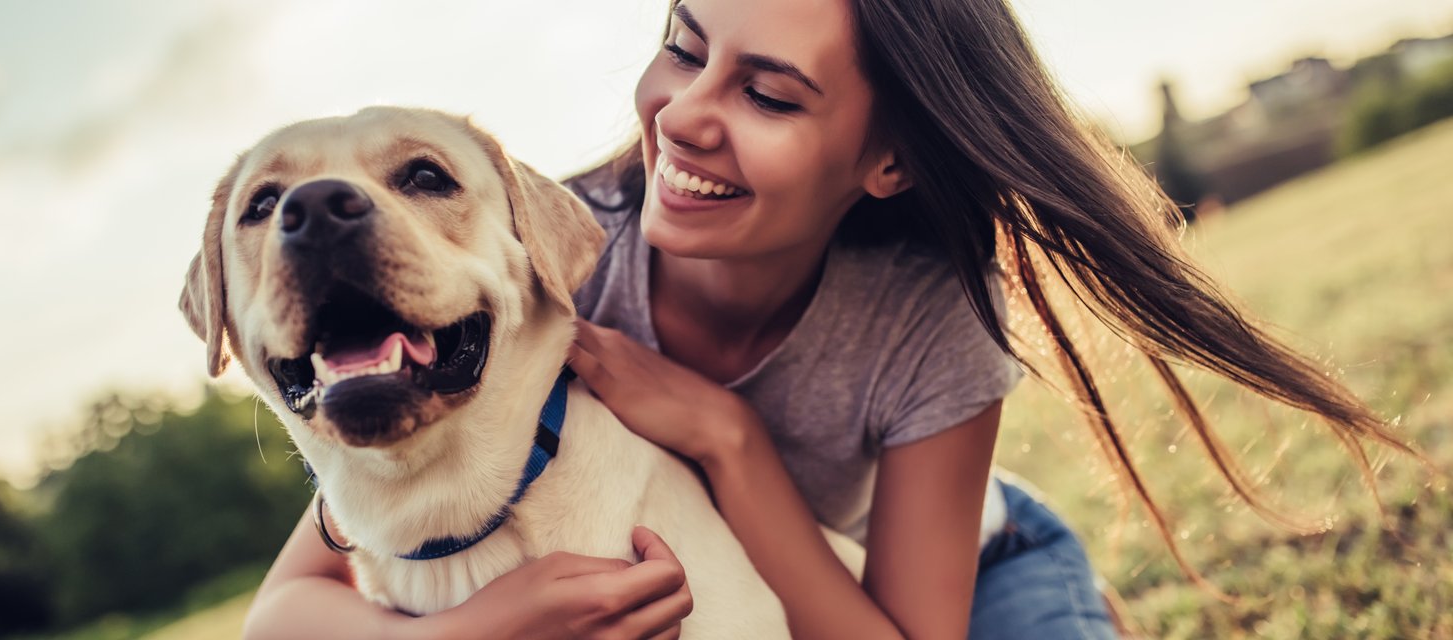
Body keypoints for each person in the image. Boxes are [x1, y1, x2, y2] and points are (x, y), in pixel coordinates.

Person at [244, 0, 1417, 637]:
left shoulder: (930, 319)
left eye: (765, 93)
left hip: (965, 582)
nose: (684, 118)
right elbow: (293, 602)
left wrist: (727, 437)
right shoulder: (538, 266)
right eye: (683, 48)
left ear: (888, 157)